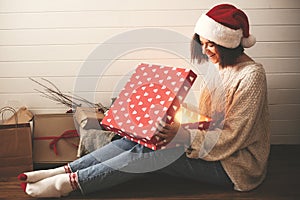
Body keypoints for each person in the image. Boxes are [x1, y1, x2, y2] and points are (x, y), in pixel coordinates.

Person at [18, 4, 270, 197]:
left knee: (156, 152)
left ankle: (69, 184)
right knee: (139, 136)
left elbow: (234, 136)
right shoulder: (219, 68)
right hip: (207, 148)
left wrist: (181, 135)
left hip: (234, 166)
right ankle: (65, 170)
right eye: (202, 44)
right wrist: (167, 112)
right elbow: (208, 119)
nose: (206, 51)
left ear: (230, 44)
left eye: (212, 45)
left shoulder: (251, 76)